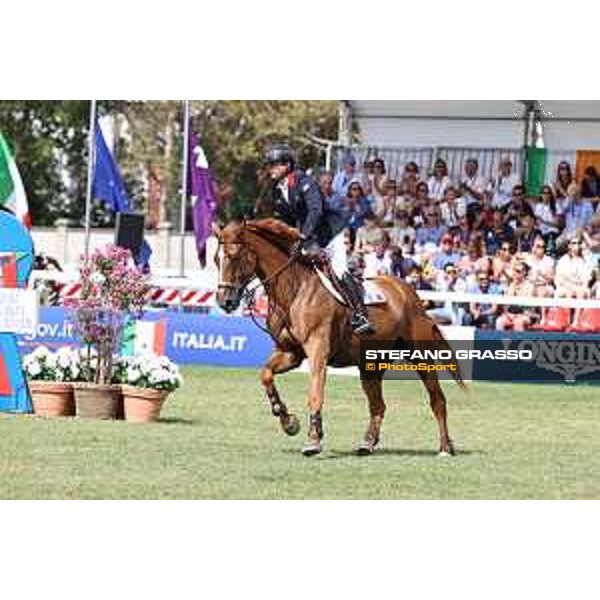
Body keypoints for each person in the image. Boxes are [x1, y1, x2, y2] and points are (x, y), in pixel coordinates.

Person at [265, 143, 375, 335]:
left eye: (274, 164)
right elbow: (285, 220)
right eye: (270, 164)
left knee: (339, 271)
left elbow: (316, 211)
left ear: (287, 166)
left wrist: (302, 236)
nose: (270, 168)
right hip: (309, 237)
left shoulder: (305, 182)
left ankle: (360, 314)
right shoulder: (277, 190)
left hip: (330, 234)